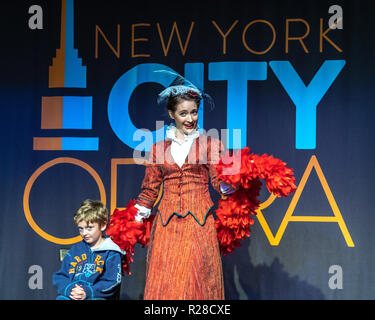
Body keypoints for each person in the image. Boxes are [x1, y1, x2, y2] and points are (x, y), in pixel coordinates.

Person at [133, 83, 236, 300]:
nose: (190, 119)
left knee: (198, 278)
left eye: (194, 112)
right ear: (172, 114)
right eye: (183, 113)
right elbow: (150, 190)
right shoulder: (157, 148)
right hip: (167, 224)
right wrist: (132, 220)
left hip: (199, 221)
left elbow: (218, 181)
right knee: (168, 277)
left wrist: (232, 182)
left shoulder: (210, 144)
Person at [52, 199, 125, 300]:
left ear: (103, 225)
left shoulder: (111, 252)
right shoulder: (75, 250)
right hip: (74, 295)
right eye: (80, 228)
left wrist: (88, 292)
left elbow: (113, 281)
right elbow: (60, 276)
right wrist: (70, 290)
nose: (84, 233)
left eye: (89, 228)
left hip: (96, 296)